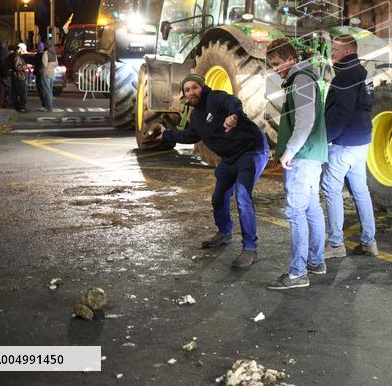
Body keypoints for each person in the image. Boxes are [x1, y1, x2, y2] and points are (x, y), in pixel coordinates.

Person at [146, 74, 269, 268]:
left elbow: (232, 101)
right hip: (229, 158)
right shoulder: (196, 116)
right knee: (218, 197)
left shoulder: (216, 98)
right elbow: (190, 135)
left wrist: (233, 115)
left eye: (194, 87)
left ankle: (250, 249)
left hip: (251, 151)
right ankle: (224, 232)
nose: (191, 92)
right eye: (187, 90)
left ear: (203, 87)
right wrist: (166, 135)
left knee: (243, 196)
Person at [266, 37, 328, 290]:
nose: (275, 69)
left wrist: (289, 151)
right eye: (271, 65)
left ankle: (298, 273)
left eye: (277, 63)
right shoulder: (304, 78)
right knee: (312, 208)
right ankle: (316, 262)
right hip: (311, 155)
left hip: (303, 157)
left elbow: (305, 121)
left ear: (291, 59)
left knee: (295, 212)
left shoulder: (301, 79)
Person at [321, 35, 377, 258]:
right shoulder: (364, 73)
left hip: (344, 144)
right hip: (362, 140)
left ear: (346, 51)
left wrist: (326, 138)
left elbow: (341, 115)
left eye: (335, 49)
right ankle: (369, 242)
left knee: (331, 188)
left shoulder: (344, 77)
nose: (332, 53)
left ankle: (335, 245)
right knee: (360, 190)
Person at [34, 41, 58, 111]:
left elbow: (44, 64)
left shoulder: (46, 53)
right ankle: (49, 106)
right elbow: (56, 64)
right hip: (52, 73)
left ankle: (48, 107)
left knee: (46, 91)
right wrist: (51, 67)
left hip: (45, 73)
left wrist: (40, 71)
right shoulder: (54, 53)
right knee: (49, 90)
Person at [7, 43, 28, 112]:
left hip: (14, 76)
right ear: (20, 49)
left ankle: (15, 106)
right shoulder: (17, 56)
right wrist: (25, 66)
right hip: (19, 76)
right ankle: (22, 107)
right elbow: (17, 67)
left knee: (15, 92)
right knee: (22, 92)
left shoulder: (12, 55)